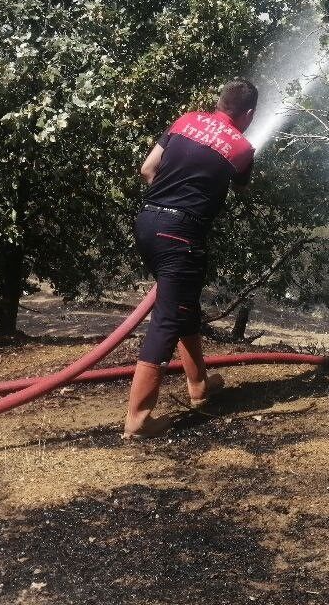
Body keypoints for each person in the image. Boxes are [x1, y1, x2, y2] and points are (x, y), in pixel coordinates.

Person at [124, 78, 258, 438]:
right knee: (168, 318)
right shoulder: (243, 147)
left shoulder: (186, 121)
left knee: (183, 307)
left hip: (148, 223)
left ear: (219, 102)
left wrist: (168, 202)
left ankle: (198, 385)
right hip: (180, 235)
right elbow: (242, 189)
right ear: (248, 114)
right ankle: (138, 420)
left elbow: (147, 169)